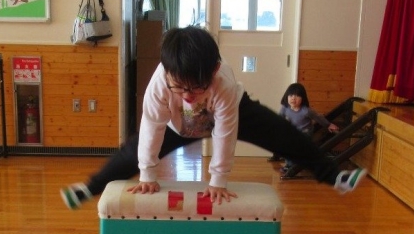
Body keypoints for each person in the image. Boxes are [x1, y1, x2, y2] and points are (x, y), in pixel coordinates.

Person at [61, 26, 366, 210]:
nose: (189, 95)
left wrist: (217, 180)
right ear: (168, 74)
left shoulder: (224, 84)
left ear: (215, 70)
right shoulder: (161, 84)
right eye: (180, 87)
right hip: (178, 123)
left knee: (283, 134)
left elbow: (224, 133)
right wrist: (148, 175)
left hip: (229, 111)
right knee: (134, 149)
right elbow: (152, 127)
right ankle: (90, 187)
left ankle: (334, 176)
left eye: (196, 87)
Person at [276, 82, 340, 173]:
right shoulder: (285, 108)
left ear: (303, 98)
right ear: (286, 97)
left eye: (297, 96)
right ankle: (289, 163)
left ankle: (291, 165)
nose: (293, 98)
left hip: (304, 133)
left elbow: (318, 117)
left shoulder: (306, 111)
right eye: (290, 95)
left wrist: (328, 125)